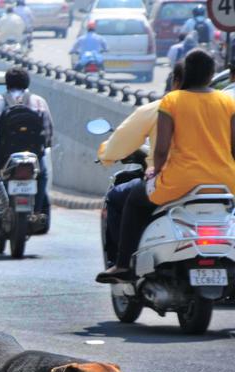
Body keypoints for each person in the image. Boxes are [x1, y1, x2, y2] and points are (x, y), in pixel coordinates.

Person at [99, 49, 235, 282]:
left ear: (184, 74)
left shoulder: (172, 101)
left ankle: (123, 266)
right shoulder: (228, 102)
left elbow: (161, 148)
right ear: (212, 73)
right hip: (225, 181)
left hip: (179, 181)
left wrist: (156, 170)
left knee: (133, 200)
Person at [97, 62, 185, 265]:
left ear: (175, 82)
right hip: (221, 183)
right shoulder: (223, 105)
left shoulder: (162, 108)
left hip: (173, 181)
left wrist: (106, 155)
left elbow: (159, 150)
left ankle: (124, 263)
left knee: (121, 197)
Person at [0, 67, 54, 220]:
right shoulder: (39, 102)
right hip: (32, 157)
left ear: (7, 84)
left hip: (2, 157)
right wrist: (46, 145)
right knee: (42, 175)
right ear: (27, 83)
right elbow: (48, 131)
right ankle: (36, 212)